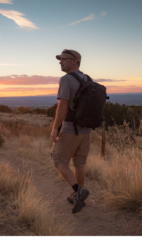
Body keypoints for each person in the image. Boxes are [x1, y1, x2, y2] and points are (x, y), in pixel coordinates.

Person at [50, 49, 91, 214]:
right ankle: (77, 196)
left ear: (74, 61)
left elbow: (63, 105)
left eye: (64, 59)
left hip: (70, 128)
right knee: (79, 163)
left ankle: (78, 190)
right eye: (60, 59)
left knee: (58, 158)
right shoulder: (88, 79)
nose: (60, 62)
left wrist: (55, 128)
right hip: (86, 130)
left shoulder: (66, 79)